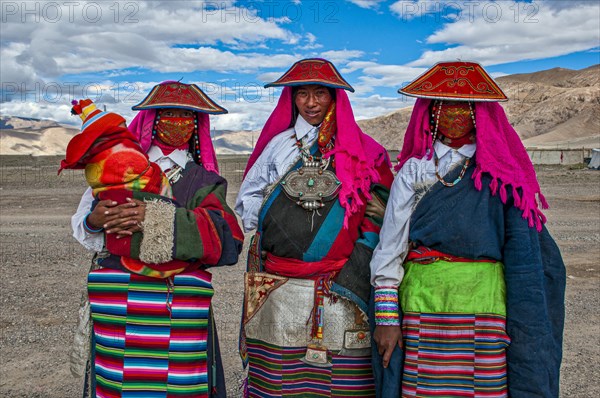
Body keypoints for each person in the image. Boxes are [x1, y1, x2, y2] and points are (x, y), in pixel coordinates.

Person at [370, 61, 566, 397]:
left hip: (486, 308)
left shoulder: (502, 175)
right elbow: (390, 246)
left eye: (463, 106)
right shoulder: (414, 171)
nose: (453, 114)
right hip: (421, 306)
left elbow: (522, 253)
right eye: (443, 105)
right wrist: (387, 318)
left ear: (479, 114)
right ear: (429, 112)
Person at [70, 81, 244, 398]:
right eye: (168, 113)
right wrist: (95, 220)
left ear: (196, 124)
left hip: (176, 304)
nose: (177, 121)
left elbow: (228, 238)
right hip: (118, 301)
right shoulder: (116, 164)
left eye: (185, 115)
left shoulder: (205, 181)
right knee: (117, 382)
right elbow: (84, 223)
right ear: (154, 118)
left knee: (180, 386)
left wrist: (158, 218)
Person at [235, 58, 394, 397]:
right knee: (280, 381)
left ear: (335, 97)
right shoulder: (278, 147)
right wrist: (279, 211)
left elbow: (380, 215)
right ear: (291, 98)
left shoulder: (366, 152)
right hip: (280, 286)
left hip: (342, 285)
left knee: (344, 382)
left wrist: (353, 268)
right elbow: (247, 202)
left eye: (319, 93)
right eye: (302, 94)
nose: (310, 103)